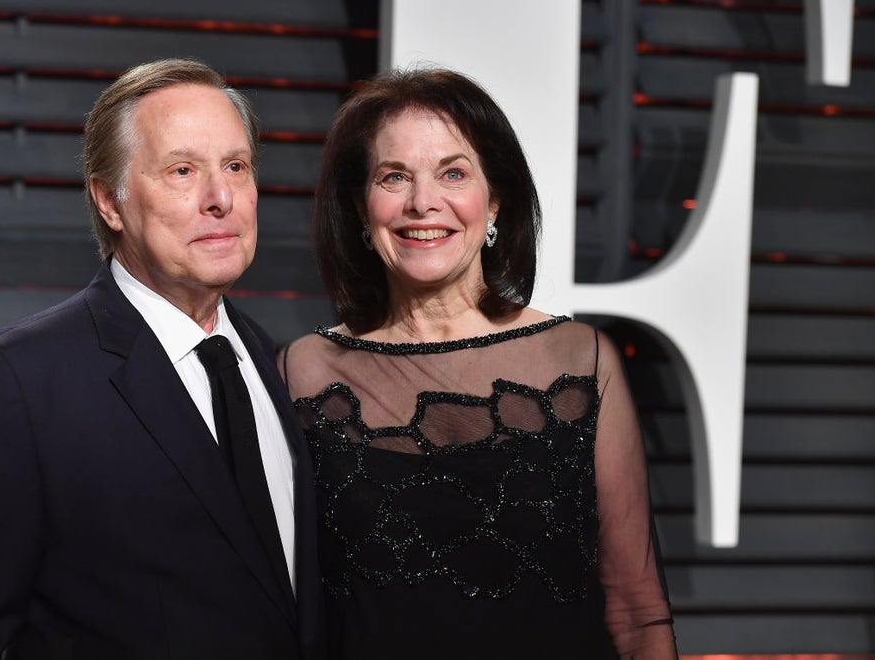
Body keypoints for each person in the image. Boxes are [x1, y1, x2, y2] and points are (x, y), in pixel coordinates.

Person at [0, 58, 320, 659]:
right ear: (109, 201)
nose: (220, 198)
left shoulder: (272, 361)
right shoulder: (17, 383)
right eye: (182, 170)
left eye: (236, 167)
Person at [279, 68, 677, 659]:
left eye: (453, 173)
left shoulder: (581, 361)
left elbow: (637, 614)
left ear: (494, 201)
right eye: (394, 177)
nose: (422, 202)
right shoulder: (305, 372)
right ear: (362, 211)